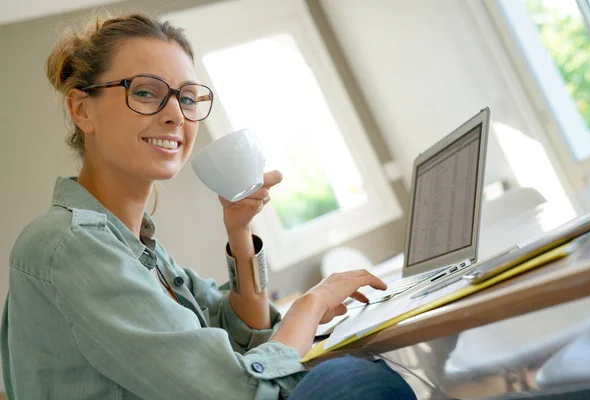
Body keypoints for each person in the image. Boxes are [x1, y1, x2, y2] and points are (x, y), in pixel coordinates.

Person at [0, 13, 417, 400]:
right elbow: (239, 388)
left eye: (187, 98)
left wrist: (239, 231)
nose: (175, 116)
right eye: (146, 92)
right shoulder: (68, 245)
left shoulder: (142, 250)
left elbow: (246, 337)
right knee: (356, 381)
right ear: (81, 109)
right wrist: (310, 305)